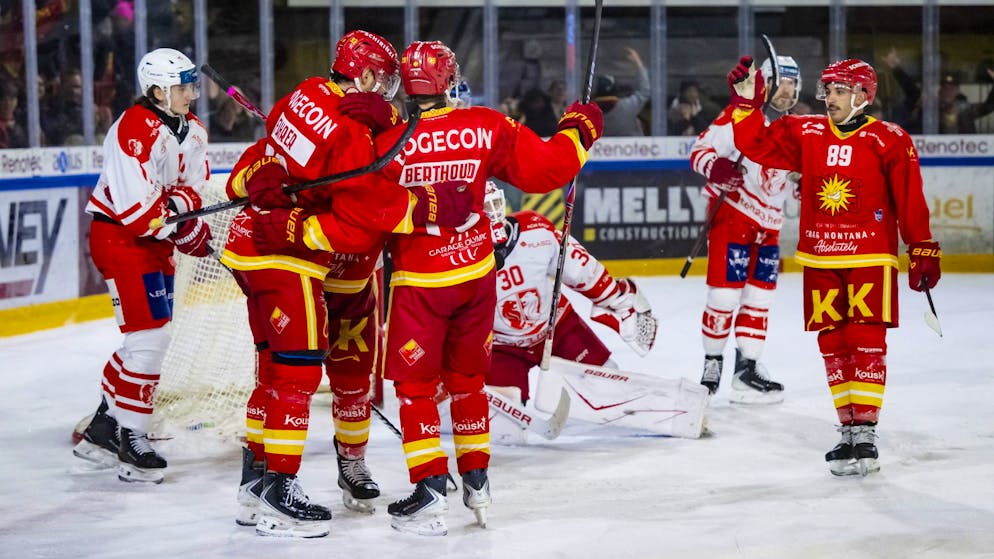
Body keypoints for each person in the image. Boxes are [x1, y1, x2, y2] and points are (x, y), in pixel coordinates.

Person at [222, 30, 472, 538]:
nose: (388, 92)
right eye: (382, 81)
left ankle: (320, 470)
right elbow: (366, 207)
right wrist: (425, 207)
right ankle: (274, 488)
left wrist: (254, 177)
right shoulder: (351, 130)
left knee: (334, 374)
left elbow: (260, 159)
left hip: (330, 266)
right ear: (362, 75)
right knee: (293, 373)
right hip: (303, 257)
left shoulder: (307, 92)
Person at [374, 40, 603, 536]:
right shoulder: (484, 125)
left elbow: (363, 205)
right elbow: (548, 169)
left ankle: (431, 486)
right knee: (467, 382)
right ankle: (477, 479)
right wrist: (579, 130)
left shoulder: (388, 140)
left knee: (415, 389)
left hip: (420, 284)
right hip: (476, 279)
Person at [726, 56, 940, 476]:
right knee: (833, 343)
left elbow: (909, 198)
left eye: (840, 90)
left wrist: (922, 248)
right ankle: (848, 428)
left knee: (865, 339)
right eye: (828, 90)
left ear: (863, 95)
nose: (830, 99)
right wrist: (747, 104)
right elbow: (756, 144)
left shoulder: (889, 138)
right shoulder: (804, 132)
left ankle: (867, 430)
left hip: (870, 257)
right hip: (820, 256)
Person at [72, 48, 213, 484]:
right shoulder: (133, 130)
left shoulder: (194, 131)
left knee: (146, 338)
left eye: (191, 85)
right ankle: (132, 438)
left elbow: (196, 190)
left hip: (152, 241)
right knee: (149, 339)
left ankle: (102, 428)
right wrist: (182, 224)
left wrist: (181, 218)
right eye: (182, 87)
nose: (191, 93)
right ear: (156, 90)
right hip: (119, 237)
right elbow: (139, 214)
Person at [689, 55, 803, 405]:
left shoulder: (798, 128)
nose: (786, 91)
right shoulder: (737, 117)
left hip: (769, 227)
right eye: (780, 83)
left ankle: (747, 369)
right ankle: (712, 363)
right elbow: (699, 151)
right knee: (723, 297)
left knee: (759, 299)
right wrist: (716, 167)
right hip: (733, 217)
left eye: (792, 85)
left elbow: (795, 178)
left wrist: (805, 183)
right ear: (764, 83)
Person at [481, 181, 657, 406]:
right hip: (501, 345)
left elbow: (582, 270)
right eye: (483, 208)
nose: (491, 214)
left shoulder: (535, 232)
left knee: (607, 382)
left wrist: (618, 299)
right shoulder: (457, 257)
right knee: (505, 410)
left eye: (493, 204)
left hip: (557, 326)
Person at [594, 47, 650, 136]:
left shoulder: (591, 112)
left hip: (603, 149)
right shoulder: (626, 106)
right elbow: (645, 91)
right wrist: (639, 63)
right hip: (632, 148)